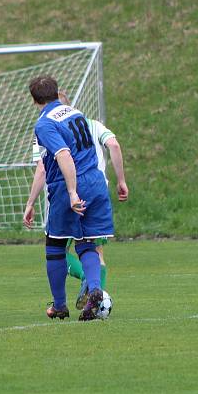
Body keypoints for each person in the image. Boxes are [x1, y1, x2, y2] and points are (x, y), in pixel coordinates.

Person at [23, 90, 128, 310]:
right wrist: (121, 180)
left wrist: (31, 202)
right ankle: (95, 292)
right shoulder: (88, 122)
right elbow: (114, 145)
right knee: (91, 247)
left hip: (67, 189)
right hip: (98, 188)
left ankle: (62, 304)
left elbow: (44, 166)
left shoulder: (45, 127)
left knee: (56, 247)